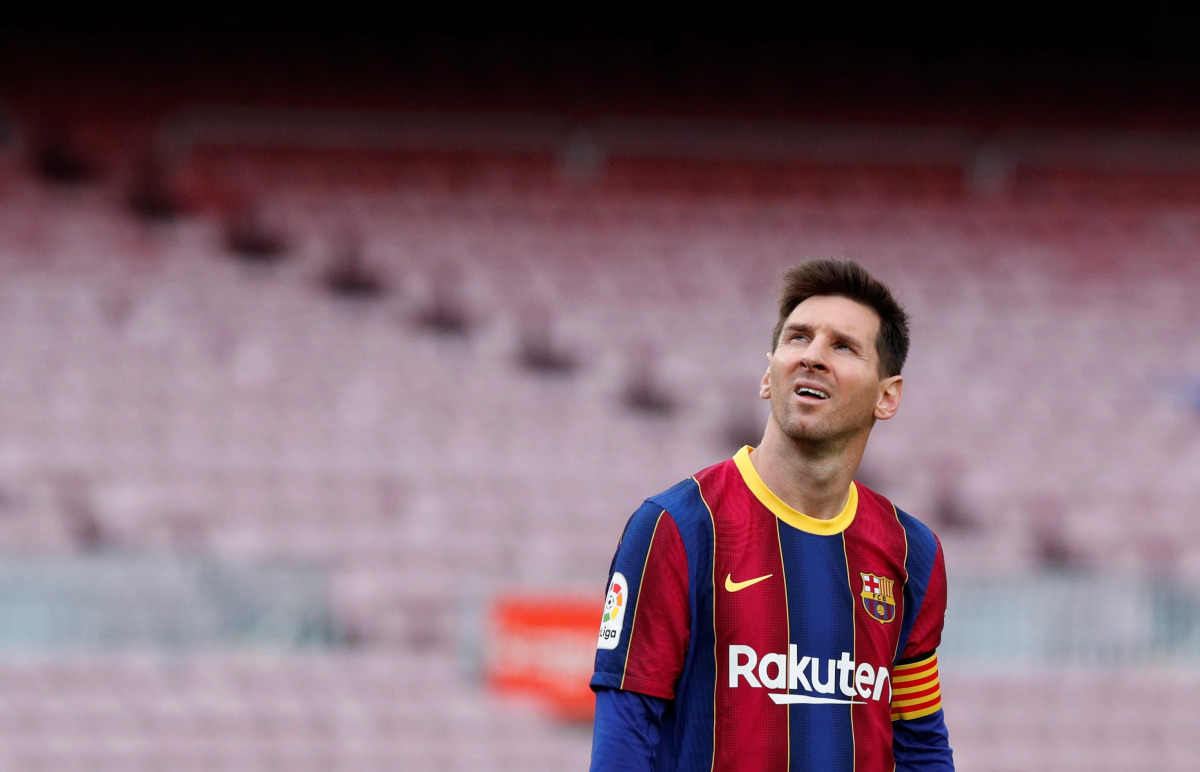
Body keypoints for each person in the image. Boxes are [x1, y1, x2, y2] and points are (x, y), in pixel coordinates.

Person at [589, 259, 952, 771]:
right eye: (798, 339)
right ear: (767, 374)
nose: (813, 357)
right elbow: (625, 736)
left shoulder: (913, 552)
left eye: (842, 346)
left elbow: (919, 744)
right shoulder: (677, 526)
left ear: (887, 396)